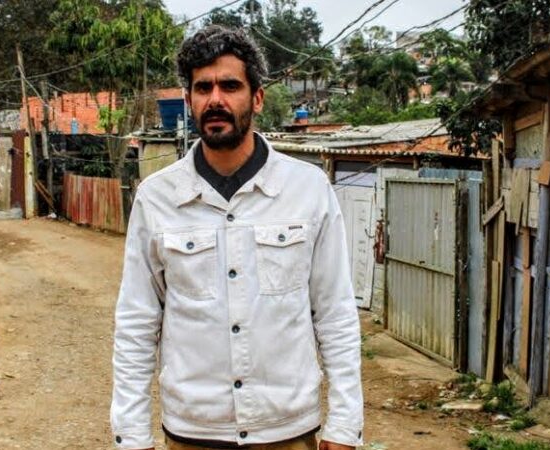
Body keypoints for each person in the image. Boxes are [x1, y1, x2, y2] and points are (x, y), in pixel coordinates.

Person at [110, 25, 363, 450]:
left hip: (286, 431)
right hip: (193, 432)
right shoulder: (157, 198)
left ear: (257, 97)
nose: (215, 100)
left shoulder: (308, 189)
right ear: (189, 100)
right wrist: (131, 436)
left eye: (230, 85)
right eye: (202, 87)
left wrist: (344, 424)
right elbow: (137, 322)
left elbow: (335, 313)